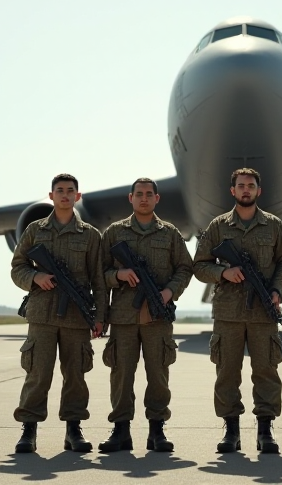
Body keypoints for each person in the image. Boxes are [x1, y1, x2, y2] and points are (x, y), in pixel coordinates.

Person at [192, 168, 282, 454]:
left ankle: (265, 431)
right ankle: (231, 431)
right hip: (228, 313)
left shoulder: (273, 225)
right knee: (227, 372)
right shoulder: (218, 226)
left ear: (259, 191)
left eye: (251, 186)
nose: (246, 190)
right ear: (233, 191)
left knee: (266, 371)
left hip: (264, 312)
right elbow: (199, 265)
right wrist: (223, 273)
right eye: (241, 186)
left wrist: (276, 288)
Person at [9, 173, 108, 454]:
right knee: (38, 374)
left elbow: (98, 280)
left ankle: (73, 430)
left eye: (70, 191)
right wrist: (35, 277)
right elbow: (17, 267)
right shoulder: (35, 231)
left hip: (76, 316)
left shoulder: (90, 235)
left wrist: (99, 316)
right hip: (41, 314)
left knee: (75, 375)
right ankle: (28, 431)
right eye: (60, 190)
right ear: (51, 195)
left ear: (78, 196)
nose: (65, 195)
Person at [97, 178, 194, 453]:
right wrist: (119, 275)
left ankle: (157, 431)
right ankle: (120, 431)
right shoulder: (115, 233)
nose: (143, 199)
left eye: (148, 194)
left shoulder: (170, 233)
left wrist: (168, 292)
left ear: (156, 199)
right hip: (124, 318)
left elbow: (185, 268)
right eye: (138, 194)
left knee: (158, 376)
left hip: (157, 317)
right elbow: (99, 274)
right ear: (130, 198)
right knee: (121, 376)